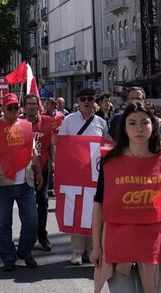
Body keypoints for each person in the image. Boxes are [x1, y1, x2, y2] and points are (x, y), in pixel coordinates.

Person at [90, 102, 161, 293]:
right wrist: (95, 247)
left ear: (153, 125)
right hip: (117, 243)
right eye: (132, 123)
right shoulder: (110, 162)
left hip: (154, 245)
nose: (139, 128)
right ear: (124, 128)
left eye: (144, 122)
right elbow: (99, 205)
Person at [0, 93, 42, 271]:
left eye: (16, 107)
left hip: (25, 183)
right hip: (3, 183)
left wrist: (39, 172)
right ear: (3, 109)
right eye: (10, 107)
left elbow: (33, 151)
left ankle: (24, 251)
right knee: (3, 223)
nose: (14, 110)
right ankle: (8, 257)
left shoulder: (26, 125)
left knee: (32, 221)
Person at [56, 87, 109, 265]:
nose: (87, 101)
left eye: (90, 98)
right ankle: (77, 251)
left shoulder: (101, 122)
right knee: (77, 209)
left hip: (95, 174)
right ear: (78, 102)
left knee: (93, 210)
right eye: (83, 98)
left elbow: (105, 146)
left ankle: (92, 249)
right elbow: (61, 145)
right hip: (75, 173)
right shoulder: (69, 121)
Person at [23, 93, 54, 251]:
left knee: (42, 202)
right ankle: (27, 237)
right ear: (24, 106)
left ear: (38, 105)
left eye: (34, 104)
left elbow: (52, 145)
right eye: (28, 104)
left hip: (42, 169)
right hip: (24, 171)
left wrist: (54, 161)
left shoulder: (48, 122)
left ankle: (42, 235)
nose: (31, 107)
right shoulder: (19, 123)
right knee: (26, 206)